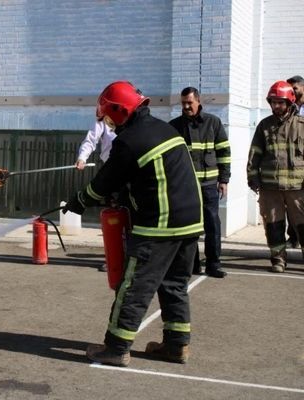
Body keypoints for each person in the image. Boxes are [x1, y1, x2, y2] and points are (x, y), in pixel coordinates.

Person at [63, 81, 203, 367]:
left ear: (120, 111)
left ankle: (116, 347)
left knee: (135, 286)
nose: (109, 124)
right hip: (190, 221)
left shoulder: (129, 141)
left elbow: (103, 183)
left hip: (159, 225)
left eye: (109, 117)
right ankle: (176, 346)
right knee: (174, 284)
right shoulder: (165, 129)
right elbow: (149, 176)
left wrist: (78, 201)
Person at [169, 87, 231, 278]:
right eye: (183, 103)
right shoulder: (174, 126)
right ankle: (192, 265)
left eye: (190, 102)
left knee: (212, 225)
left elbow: (224, 152)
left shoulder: (213, 123)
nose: (186, 106)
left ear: (198, 101)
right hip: (186, 187)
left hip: (209, 185)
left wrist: (224, 180)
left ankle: (214, 264)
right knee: (189, 228)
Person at [247, 80, 304, 273]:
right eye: (273, 102)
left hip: (298, 188)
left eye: (280, 102)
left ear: (289, 102)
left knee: (302, 226)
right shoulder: (264, 126)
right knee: (273, 226)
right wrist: (252, 177)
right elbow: (254, 153)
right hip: (270, 187)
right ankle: (278, 260)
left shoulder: (302, 125)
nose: (276, 106)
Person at [285, 75, 304, 247]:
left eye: (295, 89)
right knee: (292, 205)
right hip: (292, 164)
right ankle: (293, 237)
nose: (292, 92)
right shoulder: (289, 108)